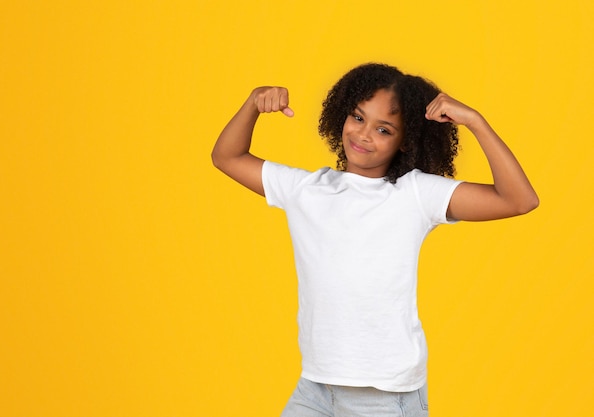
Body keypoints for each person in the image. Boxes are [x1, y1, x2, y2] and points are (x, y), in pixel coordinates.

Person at [211, 63, 538, 417]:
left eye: (383, 129)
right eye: (357, 117)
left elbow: (519, 200)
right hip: (316, 387)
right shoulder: (306, 189)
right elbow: (227, 157)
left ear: (406, 141)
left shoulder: (415, 193)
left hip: (383, 395)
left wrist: (475, 121)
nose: (364, 134)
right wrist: (252, 104)